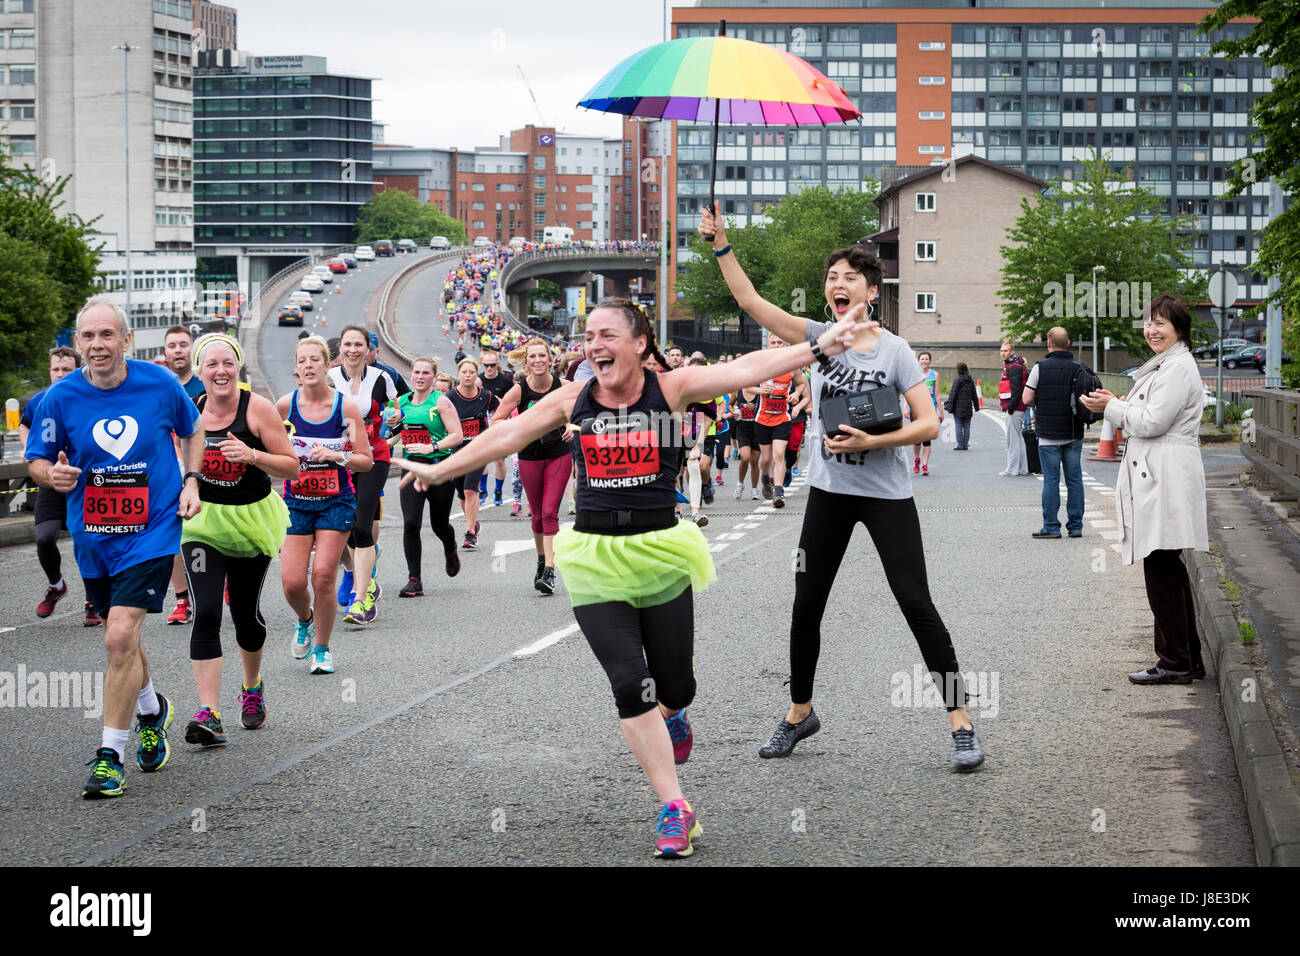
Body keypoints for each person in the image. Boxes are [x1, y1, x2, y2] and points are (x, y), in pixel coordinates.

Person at [392, 296, 870, 858]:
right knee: (629, 682)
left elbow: (743, 369)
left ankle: (678, 711)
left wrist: (819, 346)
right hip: (595, 555)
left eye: (607, 334)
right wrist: (440, 468)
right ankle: (676, 807)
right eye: (589, 335)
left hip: (661, 551)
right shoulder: (574, 398)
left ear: (639, 344)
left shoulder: (669, 389)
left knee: (675, 685)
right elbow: (506, 436)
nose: (595, 345)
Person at [700, 206, 986, 773]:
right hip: (829, 494)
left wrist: (869, 444)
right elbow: (752, 304)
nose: (837, 284)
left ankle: (961, 722)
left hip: (886, 494)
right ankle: (798, 713)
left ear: (871, 292)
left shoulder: (896, 351)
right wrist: (721, 246)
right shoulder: (816, 339)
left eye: (848, 278)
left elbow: (929, 424)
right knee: (807, 605)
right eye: (831, 278)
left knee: (916, 603)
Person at [25, 299, 204, 799]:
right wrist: (49, 474)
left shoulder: (160, 384)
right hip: (93, 535)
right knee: (121, 638)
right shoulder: (59, 398)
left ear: (126, 340)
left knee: (119, 635)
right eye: (88, 336)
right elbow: (36, 459)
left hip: (151, 529)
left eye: (107, 335)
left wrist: (191, 481)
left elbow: (193, 431)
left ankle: (109, 757)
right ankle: (152, 710)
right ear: (78, 342)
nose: (97, 345)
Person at [1080, 295, 1209, 684]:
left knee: (1162, 566)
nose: (1152, 330)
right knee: (1167, 566)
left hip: (1165, 473)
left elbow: (1152, 422)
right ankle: (1186, 658)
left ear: (1179, 329)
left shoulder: (1176, 368)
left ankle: (1175, 662)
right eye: (1149, 322)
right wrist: (1114, 403)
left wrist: (1112, 409)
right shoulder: (1170, 364)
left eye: (1161, 324)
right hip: (1162, 472)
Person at [180, 334, 299, 745]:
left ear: (238, 368)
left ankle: (251, 687)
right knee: (208, 610)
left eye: (228, 363)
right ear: (199, 372)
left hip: (250, 521)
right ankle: (209, 712)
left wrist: (254, 457)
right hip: (202, 525)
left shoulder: (257, 409)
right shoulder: (191, 411)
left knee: (245, 615)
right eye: (211, 364)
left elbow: (292, 468)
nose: (220, 371)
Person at [278, 336, 373, 674]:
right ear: (296, 368)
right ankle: (304, 619)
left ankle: (322, 648)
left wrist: (338, 455)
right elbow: (272, 451)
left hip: (335, 500)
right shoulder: (284, 406)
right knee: (291, 582)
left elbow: (366, 460)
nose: (308, 366)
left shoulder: (344, 407)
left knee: (322, 576)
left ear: (326, 364)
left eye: (314, 360)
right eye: (302, 361)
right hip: (296, 501)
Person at [20, 346, 99, 625]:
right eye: (56, 369)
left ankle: (93, 600)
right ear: (49, 371)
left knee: (86, 541)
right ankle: (56, 586)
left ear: (77, 370)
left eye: (66, 369)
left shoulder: (88, 399)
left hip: (84, 482)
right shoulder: (41, 400)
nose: (60, 374)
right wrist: (29, 449)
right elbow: (25, 424)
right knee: (43, 537)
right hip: (52, 478)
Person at [328, 325, 397, 626]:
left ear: (368, 349)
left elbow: (398, 412)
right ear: (340, 348)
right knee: (341, 524)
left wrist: (395, 420)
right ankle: (364, 579)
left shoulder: (382, 378)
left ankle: (361, 600)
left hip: (373, 457)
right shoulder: (328, 380)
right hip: (337, 458)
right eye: (348, 344)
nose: (353, 349)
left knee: (362, 524)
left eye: (359, 344)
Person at [493, 338, 570, 593]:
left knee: (550, 512)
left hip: (559, 455)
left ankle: (549, 570)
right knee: (537, 515)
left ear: (551, 360)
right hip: (529, 457)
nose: (538, 360)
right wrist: (516, 431)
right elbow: (497, 421)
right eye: (533, 357)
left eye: (542, 356)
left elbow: (583, 411)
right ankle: (541, 560)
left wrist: (573, 425)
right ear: (526, 362)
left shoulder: (563, 387)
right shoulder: (518, 390)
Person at [392, 357, 463, 596]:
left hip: (439, 466)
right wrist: (384, 444)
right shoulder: (401, 402)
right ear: (411, 375)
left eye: (425, 373)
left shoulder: (441, 402)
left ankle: (450, 546)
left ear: (433, 377)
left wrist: (432, 447)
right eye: (417, 372)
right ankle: (415, 579)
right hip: (412, 468)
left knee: (439, 523)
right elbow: (398, 432)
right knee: (411, 522)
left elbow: (457, 435)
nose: (420, 377)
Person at [1021, 327, 1085, 539]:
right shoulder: (1078, 368)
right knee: (1074, 480)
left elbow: (1026, 398)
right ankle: (1075, 526)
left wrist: (1044, 401)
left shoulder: (1041, 368)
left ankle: (1051, 526)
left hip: (1048, 435)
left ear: (1049, 344)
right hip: (1074, 433)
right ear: (1068, 344)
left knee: (1051, 480)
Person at [163, 325, 204, 625]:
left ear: (191, 350)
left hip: (207, 468)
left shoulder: (205, 383)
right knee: (175, 536)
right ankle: (181, 600)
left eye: (183, 344)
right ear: (165, 352)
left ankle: (221, 579)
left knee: (209, 534)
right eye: (172, 345)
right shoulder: (159, 385)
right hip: (170, 471)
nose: (178, 350)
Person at [446, 357, 499, 551]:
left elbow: (501, 412)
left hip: (479, 449)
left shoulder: (485, 396)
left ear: (476, 375)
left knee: (470, 490)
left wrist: (496, 428)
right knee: (461, 494)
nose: (468, 375)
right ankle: (473, 522)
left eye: (471, 372)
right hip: (457, 450)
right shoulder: (450, 397)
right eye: (464, 372)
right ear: (459, 374)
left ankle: (470, 533)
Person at [753, 337, 794, 508]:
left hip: (782, 419)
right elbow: (746, 387)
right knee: (766, 458)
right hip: (762, 419)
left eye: (780, 343)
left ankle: (778, 492)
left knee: (779, 455)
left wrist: (797, 396)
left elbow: (803, 387)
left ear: (785, 345)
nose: (777, 345)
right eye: (773, 343)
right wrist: (760, 390)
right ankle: (764, 478)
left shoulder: (791, 366)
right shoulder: (762, 365)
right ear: (768, 345)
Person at [478, 350, 516, 506]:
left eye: (492, 365)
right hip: (481, 424)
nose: (489, 368)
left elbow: (513, 403)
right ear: (482, 364)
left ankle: (498, 491)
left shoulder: (506, 381)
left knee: (499, 460)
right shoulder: (478, 380)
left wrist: (499, 402)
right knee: (481, 460)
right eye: (486, 365)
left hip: (500, 424)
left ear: (497, 364)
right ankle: (483, 489)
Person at [998, 341, 1029, 477]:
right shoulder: (1013, 366)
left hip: (1015, 407)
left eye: (1005, 351)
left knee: (1012, 439)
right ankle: (1022, 468)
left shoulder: (1013, 367)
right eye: (1001, 351)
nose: (1002, 353)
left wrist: (1010, 409)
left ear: (1011, 352)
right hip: (1018, 406)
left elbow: (1016, 390)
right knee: (1018, 437)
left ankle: (1012, 469)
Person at [910, 351, 943, 476]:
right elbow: (909, 391)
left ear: (930, 361)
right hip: (916, 408)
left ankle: (925, 465)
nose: (924, 361)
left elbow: (937, 394)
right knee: (917, 438)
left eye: (926, 359)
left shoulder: (935, 375)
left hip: (930, 409)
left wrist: (940, 411)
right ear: (918, 361)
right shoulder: (914, 374)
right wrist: (906, 408)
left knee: (927, 439)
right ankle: (917, 459)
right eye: (922, 359)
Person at [731, 386, 761, 500]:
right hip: (742, 429)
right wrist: (733, 412)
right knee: (745, 458)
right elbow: (730, 404)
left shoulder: (759, 392)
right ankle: (740, 484)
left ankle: (754, 489)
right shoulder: (738, 391)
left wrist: (755, 408)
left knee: (754, 462)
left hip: (757, 429)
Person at [944, 362, 979, 450]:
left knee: (958, 426)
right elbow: (974, 394)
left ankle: (960, 445)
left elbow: (953, 394)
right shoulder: (970, 380)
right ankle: (966, 444)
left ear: (958, 370)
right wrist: (977, 407)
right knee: (967, 426)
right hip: (968, 408)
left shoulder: (957, 380)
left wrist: (949, 407)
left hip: (958, 408)